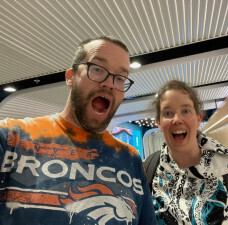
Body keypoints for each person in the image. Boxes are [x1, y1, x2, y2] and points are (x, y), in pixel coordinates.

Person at [0, 36, 157, 225]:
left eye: (120, 78)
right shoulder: (11, 137)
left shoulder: (130, 158)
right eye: (98, 69)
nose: (109, 83)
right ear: (71, 77)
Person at [148, 80, 228, 224]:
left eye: (186, 111)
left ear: (198, 118)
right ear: (158, 122)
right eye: (168, 113)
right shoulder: (149, 173)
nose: (177, 119)